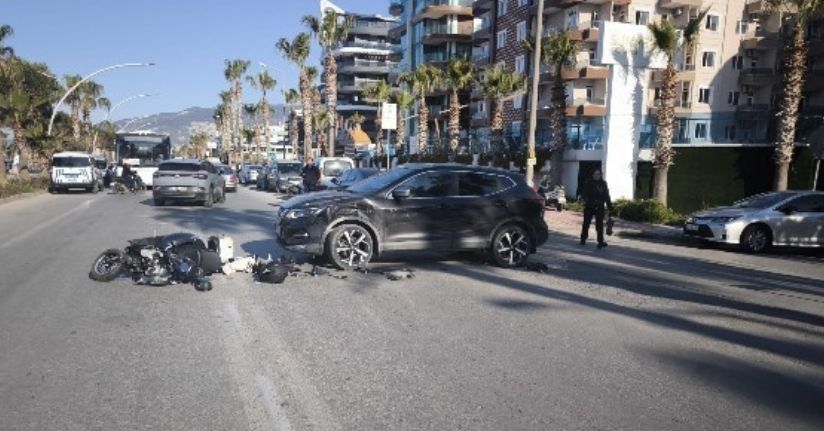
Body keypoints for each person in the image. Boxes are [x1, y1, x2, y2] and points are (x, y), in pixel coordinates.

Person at [580, 169, 613, 249]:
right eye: (595, 174)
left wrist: (610, 207)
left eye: (598, 174)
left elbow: (606, 195)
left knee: (599, 225)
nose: (597, 176)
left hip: (599, 206)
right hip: (589, 205)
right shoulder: (588, 182)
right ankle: (583, 238)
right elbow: (584, 193)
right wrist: (585, 200)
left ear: (600, 175)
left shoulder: (603, 184)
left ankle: (600, 242)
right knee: (586, 223)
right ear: (592, 175)